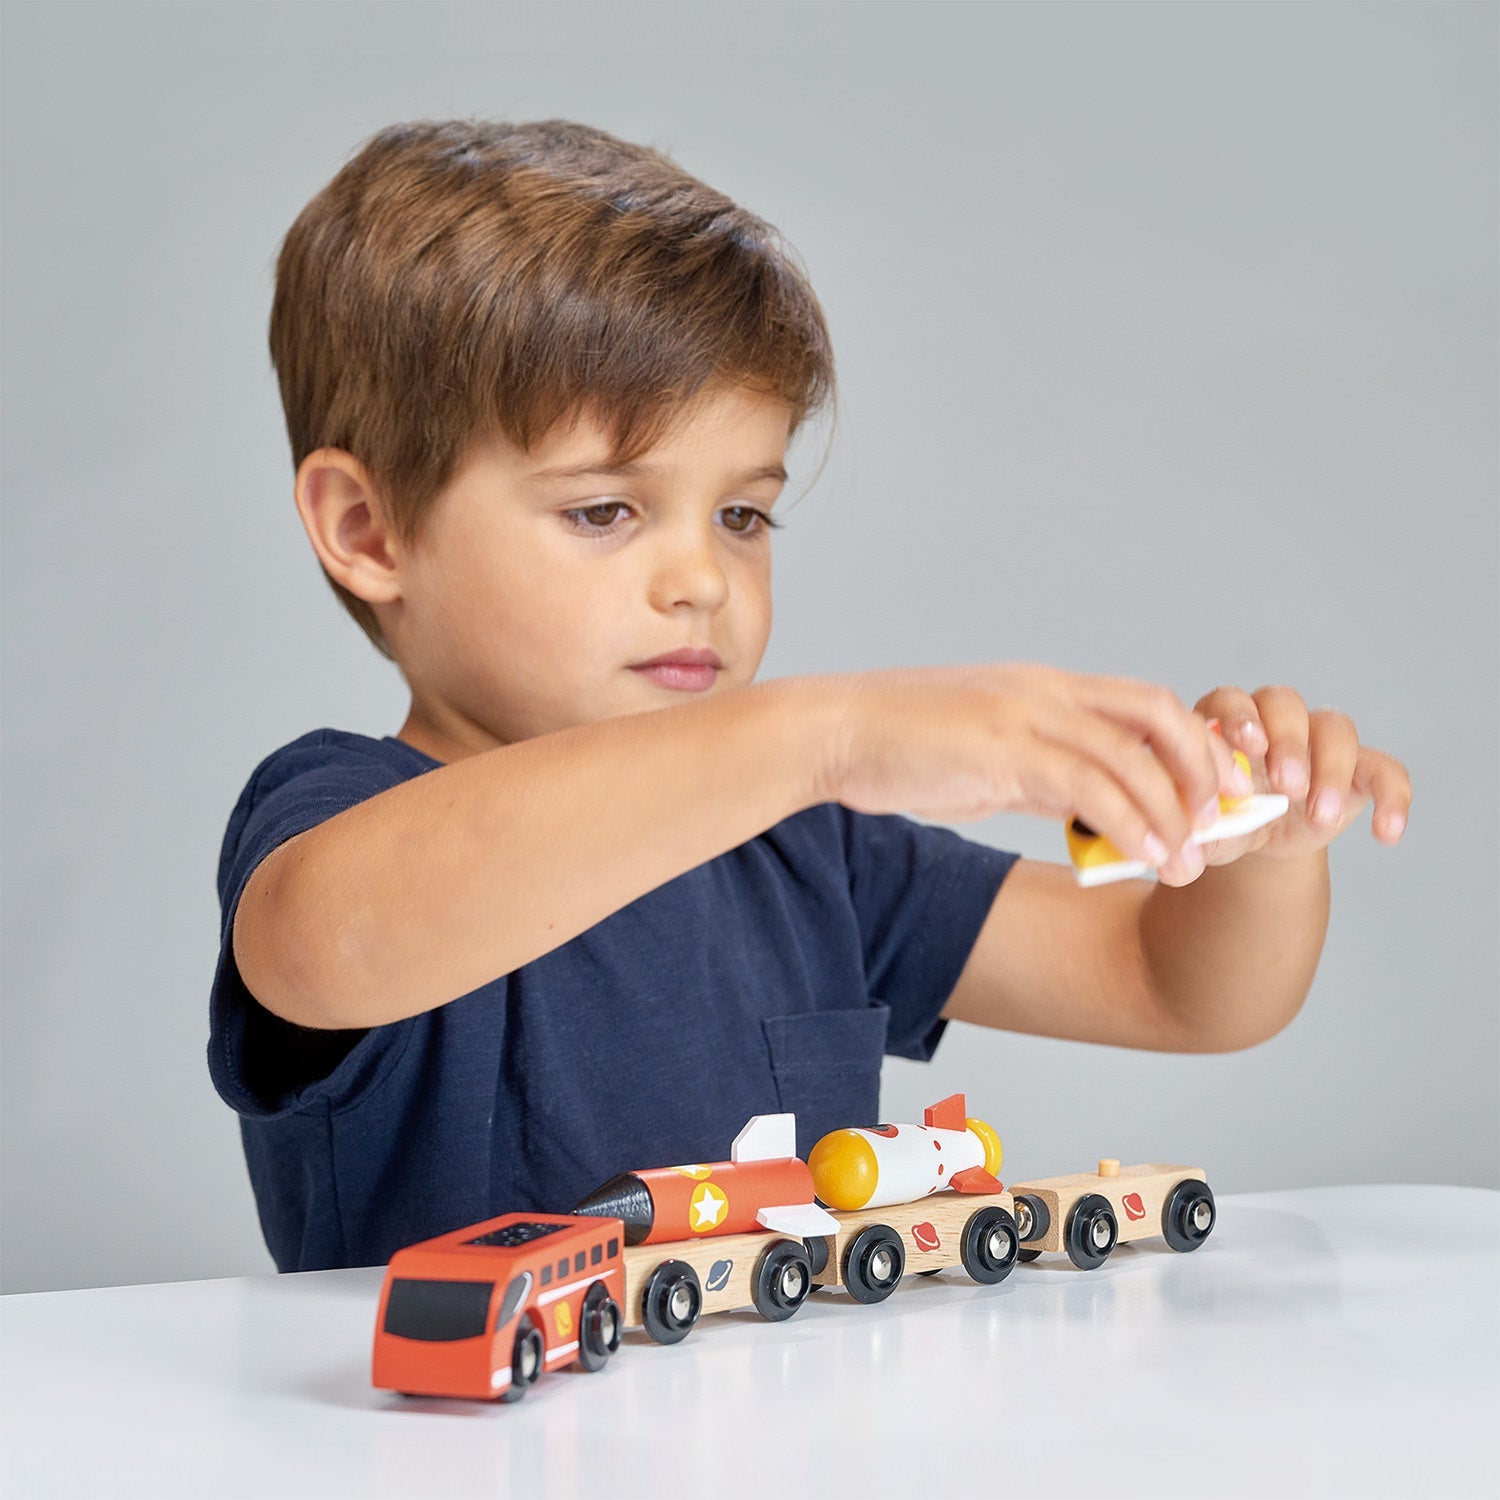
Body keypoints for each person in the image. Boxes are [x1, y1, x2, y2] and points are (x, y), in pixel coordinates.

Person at [211, 119, 1411, 1273]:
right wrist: (823, 737)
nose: (701, 581)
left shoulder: (805, 850)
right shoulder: (347, 810)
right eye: (604, 510)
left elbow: (1172, 984)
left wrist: (1268, 847)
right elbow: (329, 945)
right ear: (368, 530)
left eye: (742, 515)